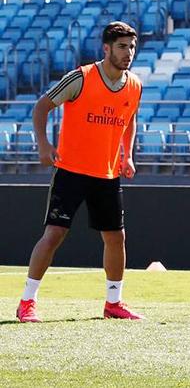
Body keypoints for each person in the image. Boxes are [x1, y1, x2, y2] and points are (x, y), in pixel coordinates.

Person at [16, 21, 144, 323]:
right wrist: (44, 145)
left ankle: (114, 303)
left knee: (116, 238)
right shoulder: (81, 78)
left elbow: (130, 120)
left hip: (107, 174)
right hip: (71, 171)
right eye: (123, 46)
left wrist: (128, 155)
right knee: (54, 234)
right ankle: (26, 302)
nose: (129, 53)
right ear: (107, 48)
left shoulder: (135, 85)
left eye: (132, 47)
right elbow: (41, 107)